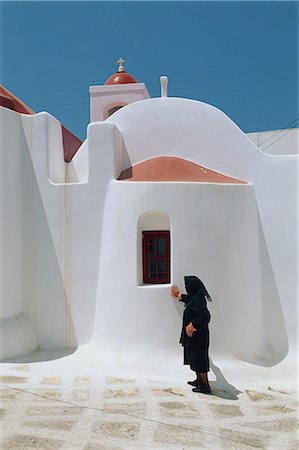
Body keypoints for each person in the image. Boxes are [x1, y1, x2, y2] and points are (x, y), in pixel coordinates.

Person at [171, 276, 212, 394]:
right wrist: (178, 294)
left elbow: (205, 316)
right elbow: (187, 299)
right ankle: (199, 380)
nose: (186, 288)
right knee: (194, 358)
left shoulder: (198, 299)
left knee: (200, 360)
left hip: (198, 336)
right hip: (193, 337)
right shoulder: (194, 298)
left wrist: (193, 325)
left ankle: (205, 386)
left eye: (187, 286)